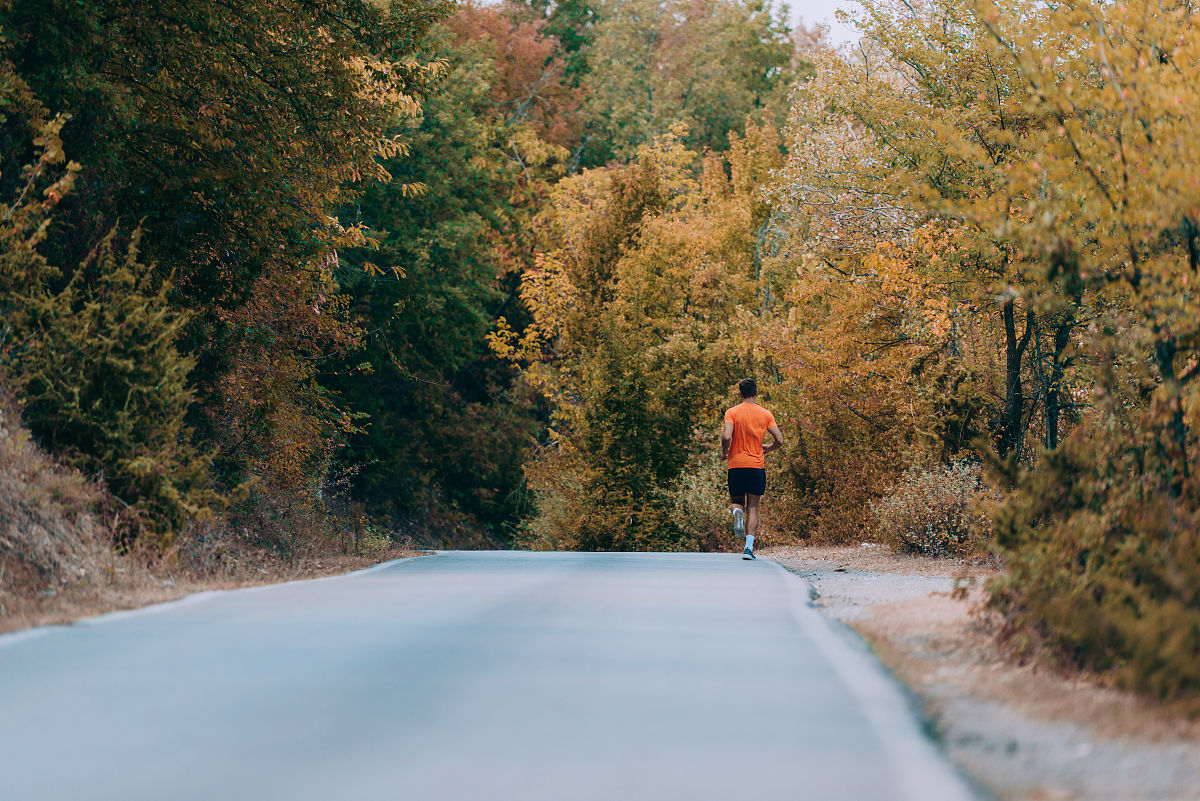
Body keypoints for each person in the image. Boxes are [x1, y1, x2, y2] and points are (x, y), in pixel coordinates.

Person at [721, 378, 783, 560]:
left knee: (737, 501)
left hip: (736, 465)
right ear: (756, 392)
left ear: (740, 393)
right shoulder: (765, 414)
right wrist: (768, 448)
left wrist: (725, 452)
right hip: (756, 466)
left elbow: (726, 436)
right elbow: (780, 440)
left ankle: (736, 512)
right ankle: (748, 548)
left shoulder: (732, 412)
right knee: (753, 507)